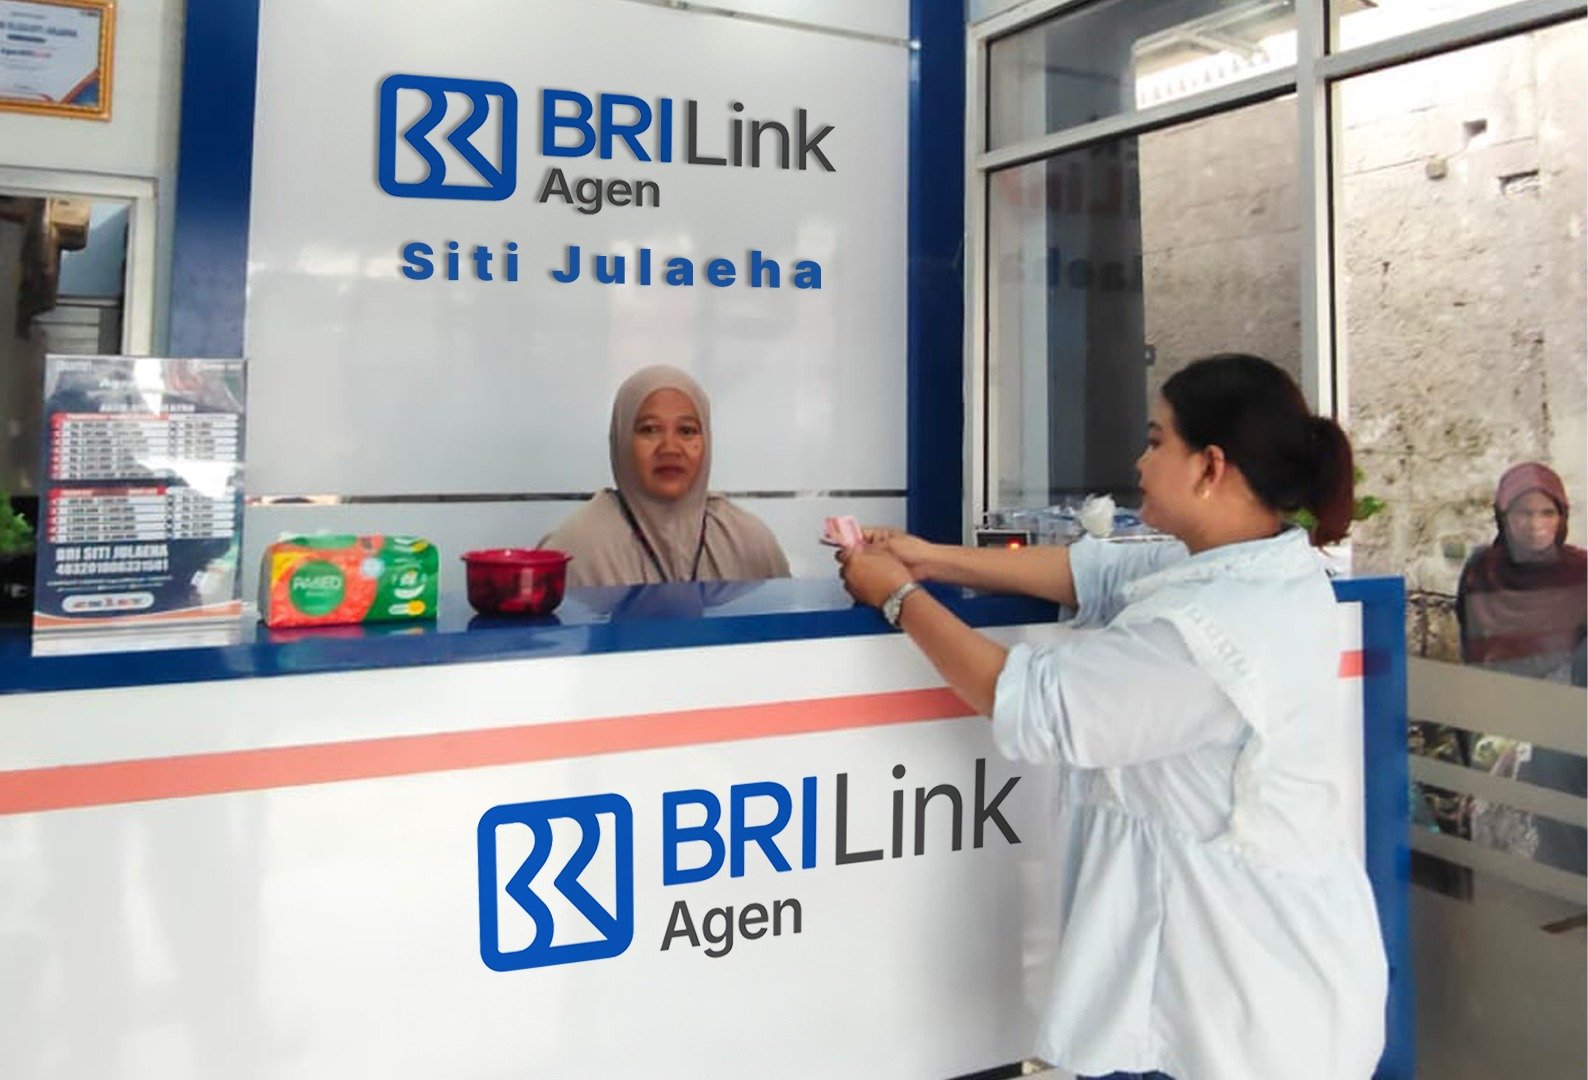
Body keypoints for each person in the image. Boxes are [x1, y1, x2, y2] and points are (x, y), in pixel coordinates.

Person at [838, 354, 1387, 1080]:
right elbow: (1096, 573)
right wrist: (930, 559)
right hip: (1259, 985)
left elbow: (1032, 702)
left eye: (1157, 441)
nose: (1139, 461)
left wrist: (899, 599)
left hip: (1251, 1007)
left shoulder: (1210, 631)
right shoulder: (1255, 569)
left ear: (1210, 466)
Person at [541, 365, 790, 588]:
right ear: (622, 440)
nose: (670, 448)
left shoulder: (750, 542)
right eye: (650, 429)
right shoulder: (577, 550)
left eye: (687, 431)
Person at [1456, 462, 1586, 875]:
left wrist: (1540, 736)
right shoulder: (1481, 572)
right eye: (1523, 513)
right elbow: (1471, 664)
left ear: (1562, 517)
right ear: (1503, 516)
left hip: (1561, 739)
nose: (1535, 524)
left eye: (1547, 513)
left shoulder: (1582, 574)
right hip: (1495, 727)